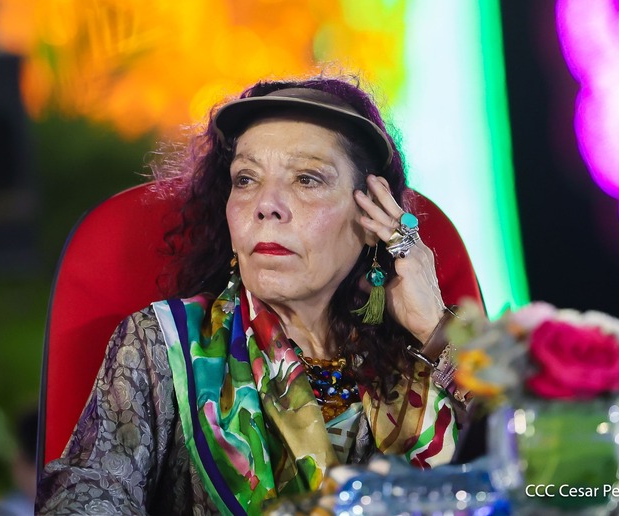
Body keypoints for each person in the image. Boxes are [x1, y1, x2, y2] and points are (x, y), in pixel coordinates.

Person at [36, 75, 470, 515]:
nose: (266, 205)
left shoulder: (420, 355)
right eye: (246, 179)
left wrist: (436, 329)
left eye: (306, 179)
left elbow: (516, 474)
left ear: (371, 217)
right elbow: (87, 496)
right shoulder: (161, 345)